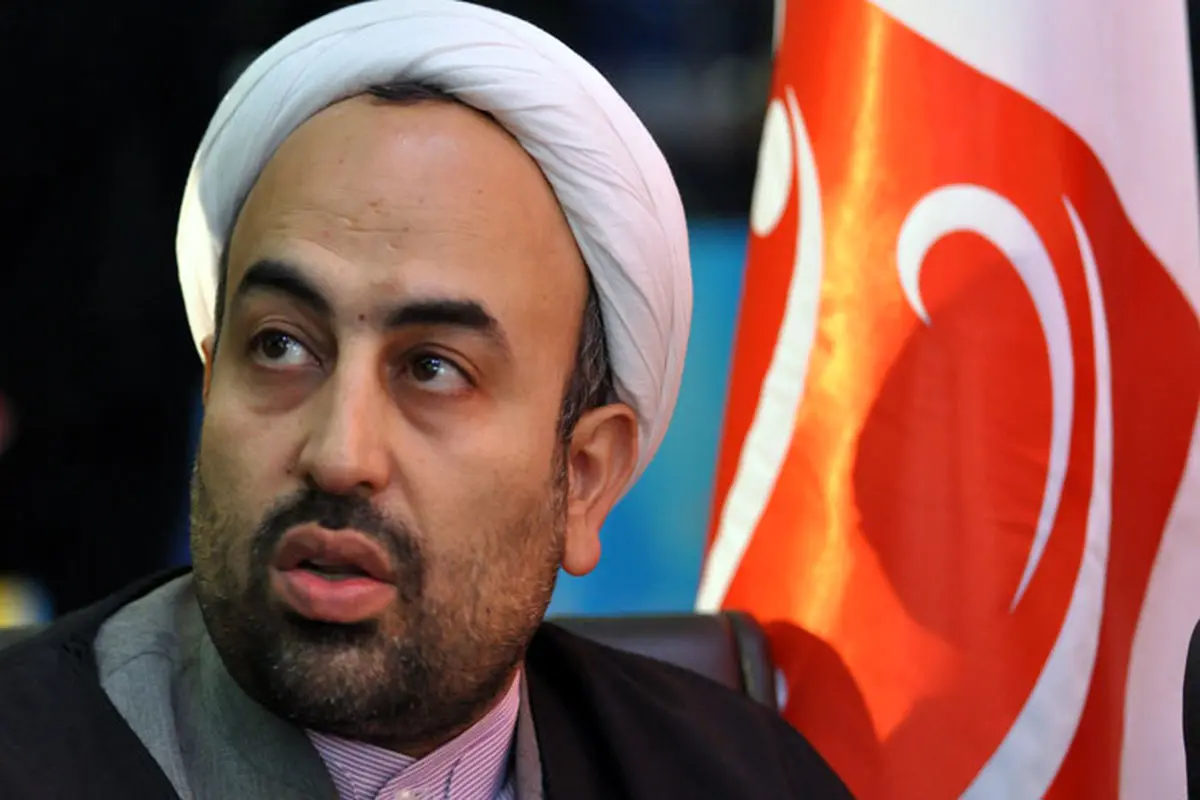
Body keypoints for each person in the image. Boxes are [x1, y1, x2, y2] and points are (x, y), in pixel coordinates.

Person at [0, 2, 850, 797]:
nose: (340, 456)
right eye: (281, 347)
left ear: (585, 477)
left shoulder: (738, 776)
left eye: (434, 369)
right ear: (211, 380)